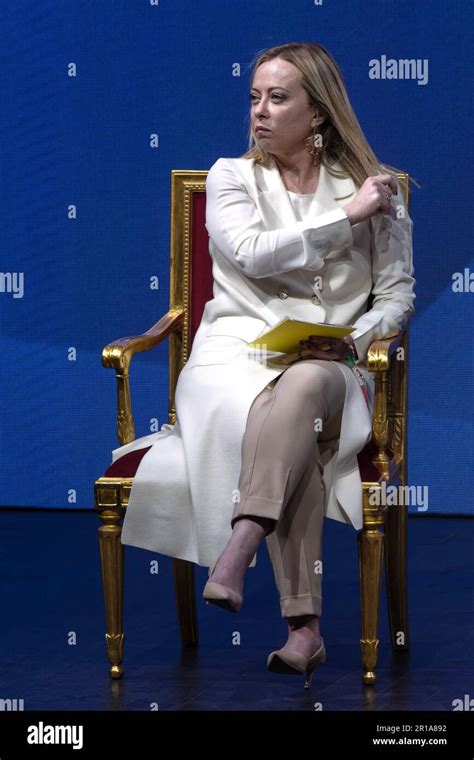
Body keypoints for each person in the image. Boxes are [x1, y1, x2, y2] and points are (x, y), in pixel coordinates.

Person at [116, 41, 415, 688]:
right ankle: (303, 629)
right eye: (254, 96)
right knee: (292, 419)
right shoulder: (231, 177)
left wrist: (354, 338)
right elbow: (252, 254)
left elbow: (395, 293)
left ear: (318, 113)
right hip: (233, 359)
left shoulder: (373, 187)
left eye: (278, 98)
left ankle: (241, 543)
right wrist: (346, 216)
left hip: (330, 364)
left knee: (308, 380)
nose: (259, 110)